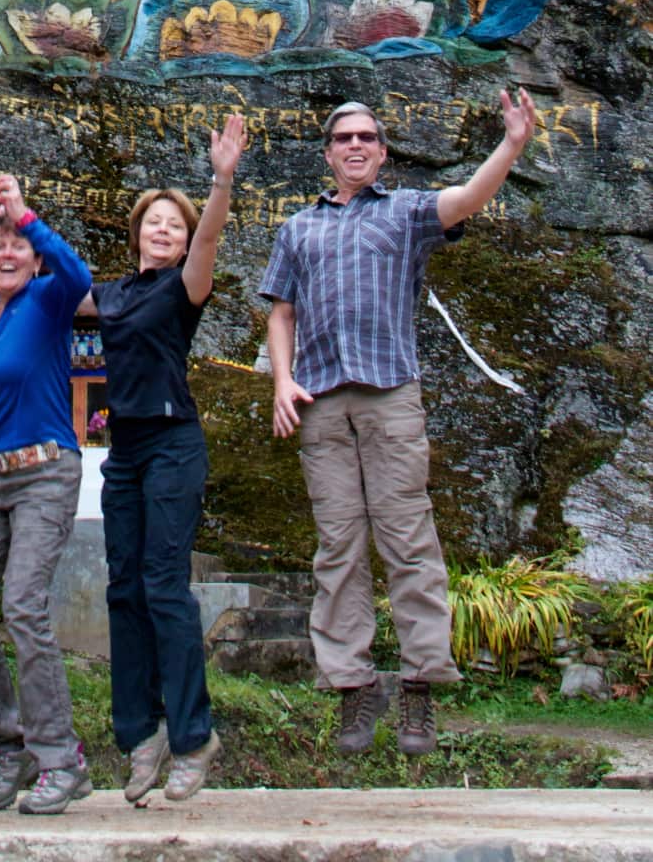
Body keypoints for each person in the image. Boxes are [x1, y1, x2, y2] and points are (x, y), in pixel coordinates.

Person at [261, 91, 538, 756]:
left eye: (367, 137)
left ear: (382, 152)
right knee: (339, 547)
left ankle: (419, 686)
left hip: (391, 396)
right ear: (327, 154)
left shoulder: (407, 212)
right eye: (342, 138)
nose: (355, 146)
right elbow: (281, 312)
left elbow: (467, 199)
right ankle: (355, 689)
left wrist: (511, 145)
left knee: (408, 540)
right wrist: (281, 381)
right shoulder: (299, 228)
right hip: (321, 403)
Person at [81, 114, 247, 803]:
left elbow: (210, 234)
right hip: (124, 449)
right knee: (123, 590)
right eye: (154, 222)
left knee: (163, 585)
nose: (165, 231)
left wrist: (221, 180)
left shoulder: (184, 289)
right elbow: (52, 296)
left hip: (175, 444)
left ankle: (191, 736)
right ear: (136, 232)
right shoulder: (111, 294)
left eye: (173, 226)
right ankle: (138, 735)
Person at [0, 174, 93, 815]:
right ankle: (8, 747)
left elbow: (79, 272)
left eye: (17, 246)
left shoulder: (51, 299)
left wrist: (27, 217)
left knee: (24, 605)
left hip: (45, 470)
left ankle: (62, 758)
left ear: (32, 259)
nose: (6, 254)